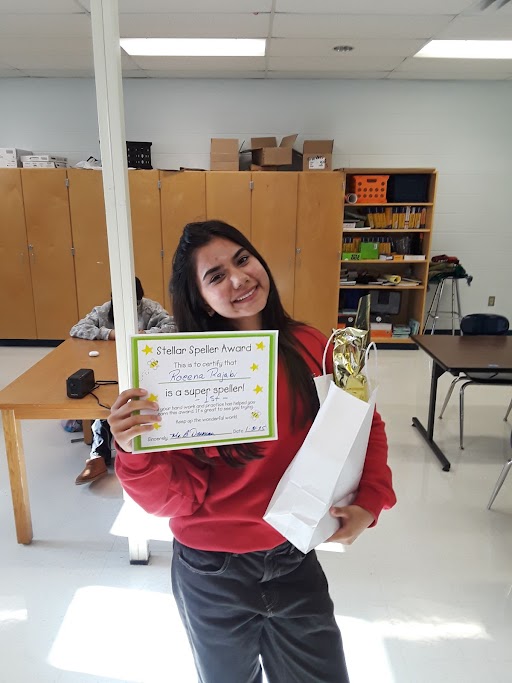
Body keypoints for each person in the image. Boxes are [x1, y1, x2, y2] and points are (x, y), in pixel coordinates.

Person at [109, 221, 396, 683]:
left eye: (242, 259)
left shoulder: (312, 346)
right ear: (198, 298)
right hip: (211, 569)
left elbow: (364, 424)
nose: (238, 278)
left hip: (294, 554)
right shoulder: (184, 372)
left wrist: (369, 500)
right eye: (216, 276)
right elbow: (171, 500)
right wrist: (134, 452)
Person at [70, 276, 175, 485]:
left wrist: (142, 333)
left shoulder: (150, 308)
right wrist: (111, 334)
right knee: (104, 397)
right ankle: (98, 455)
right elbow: (77, 329)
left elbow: (173, 326)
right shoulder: (103, 310)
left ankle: (145, 447)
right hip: (110, 363)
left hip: (144, 366)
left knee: (139, 398)